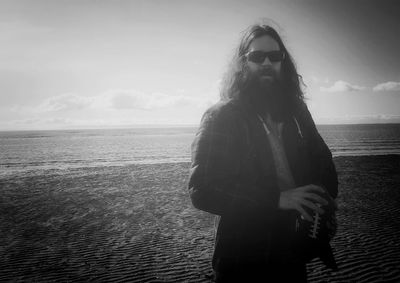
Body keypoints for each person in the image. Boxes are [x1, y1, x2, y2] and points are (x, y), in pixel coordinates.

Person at [188, 23, 338, 282]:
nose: (267, 62)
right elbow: (203, 189)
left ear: (283, 61)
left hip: (294, 252)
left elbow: (323, 162)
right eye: (257, 56)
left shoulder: (297, 112)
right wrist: (278, 199)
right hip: (242, 259)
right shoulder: (221, 116)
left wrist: (321, 199)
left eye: (275, 56)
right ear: (242, 64)